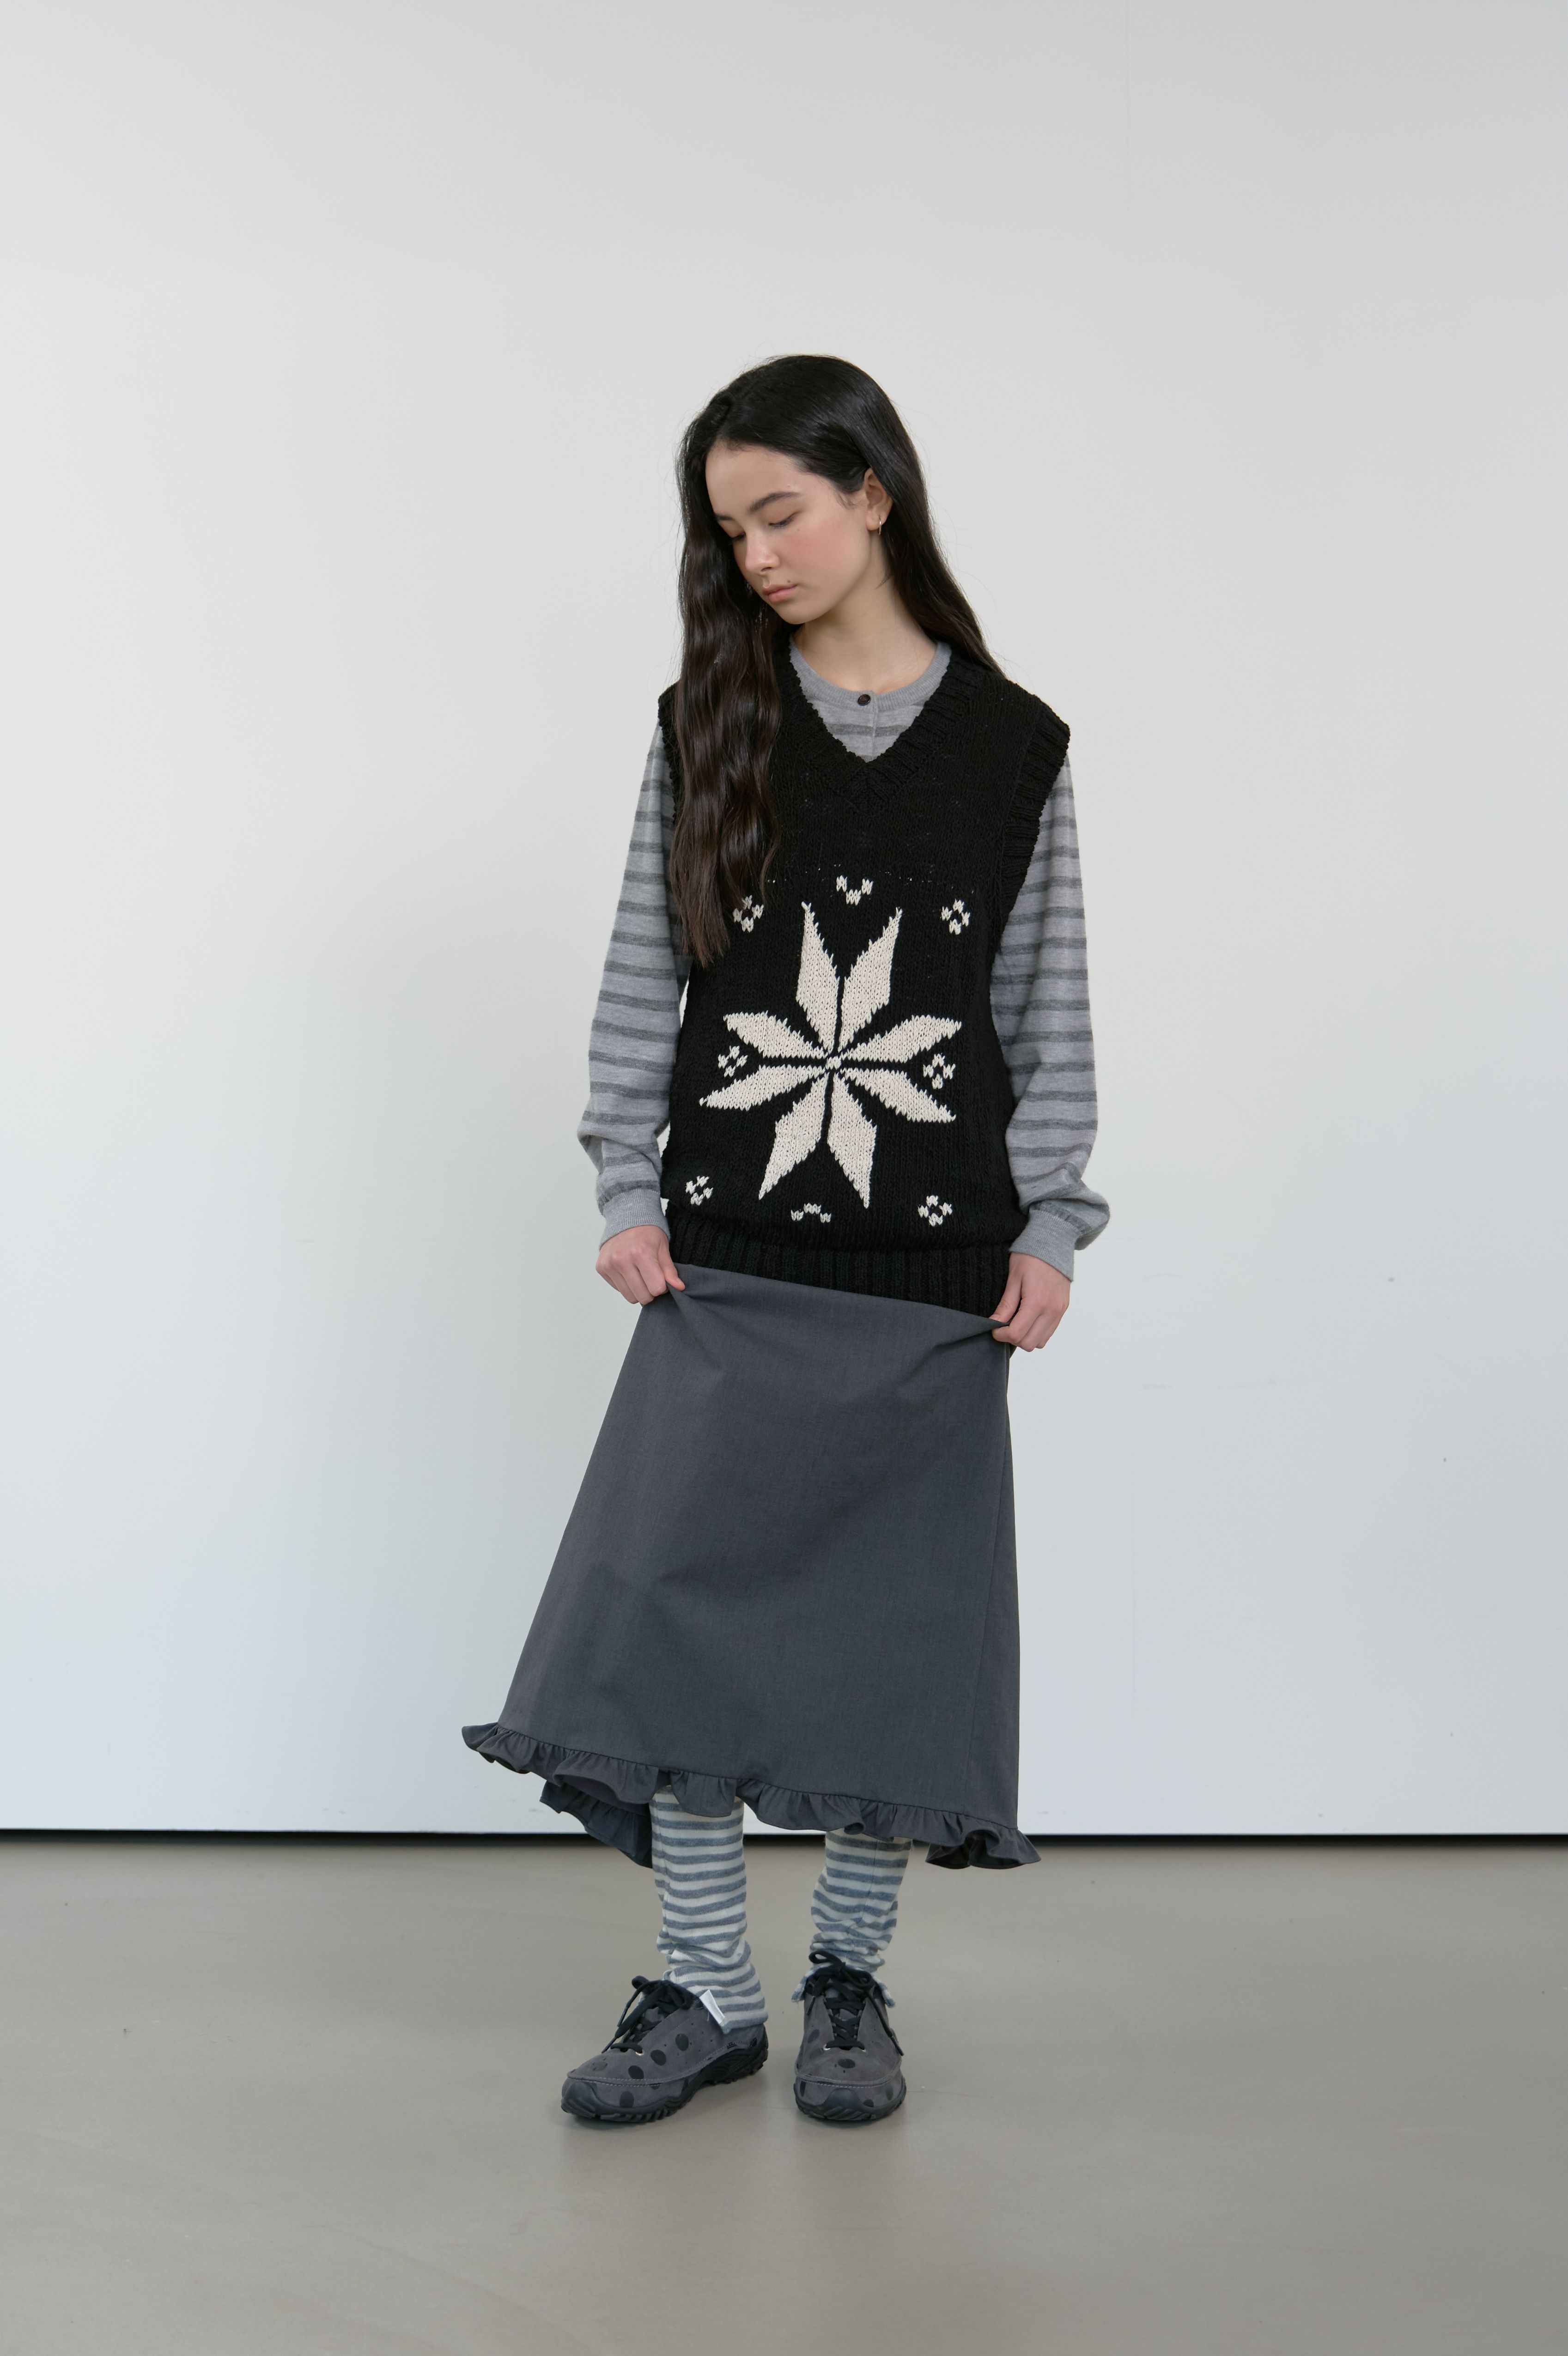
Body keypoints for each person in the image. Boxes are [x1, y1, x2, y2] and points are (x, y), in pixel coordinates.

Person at [464, 354, 1108, 2127]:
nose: (754, 554)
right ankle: (706, 1982)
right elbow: (641, 971)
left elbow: (1042, 1005)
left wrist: (1052, 1219)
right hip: (727, 1257)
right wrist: (626, 1185)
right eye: (727, 528)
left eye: (782, 512)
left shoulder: (1014, 747)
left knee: (892, 1648)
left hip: (933, 1279)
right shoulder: (707, 727)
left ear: (872, 493)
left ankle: (844, 1982)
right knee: (672, 1628)